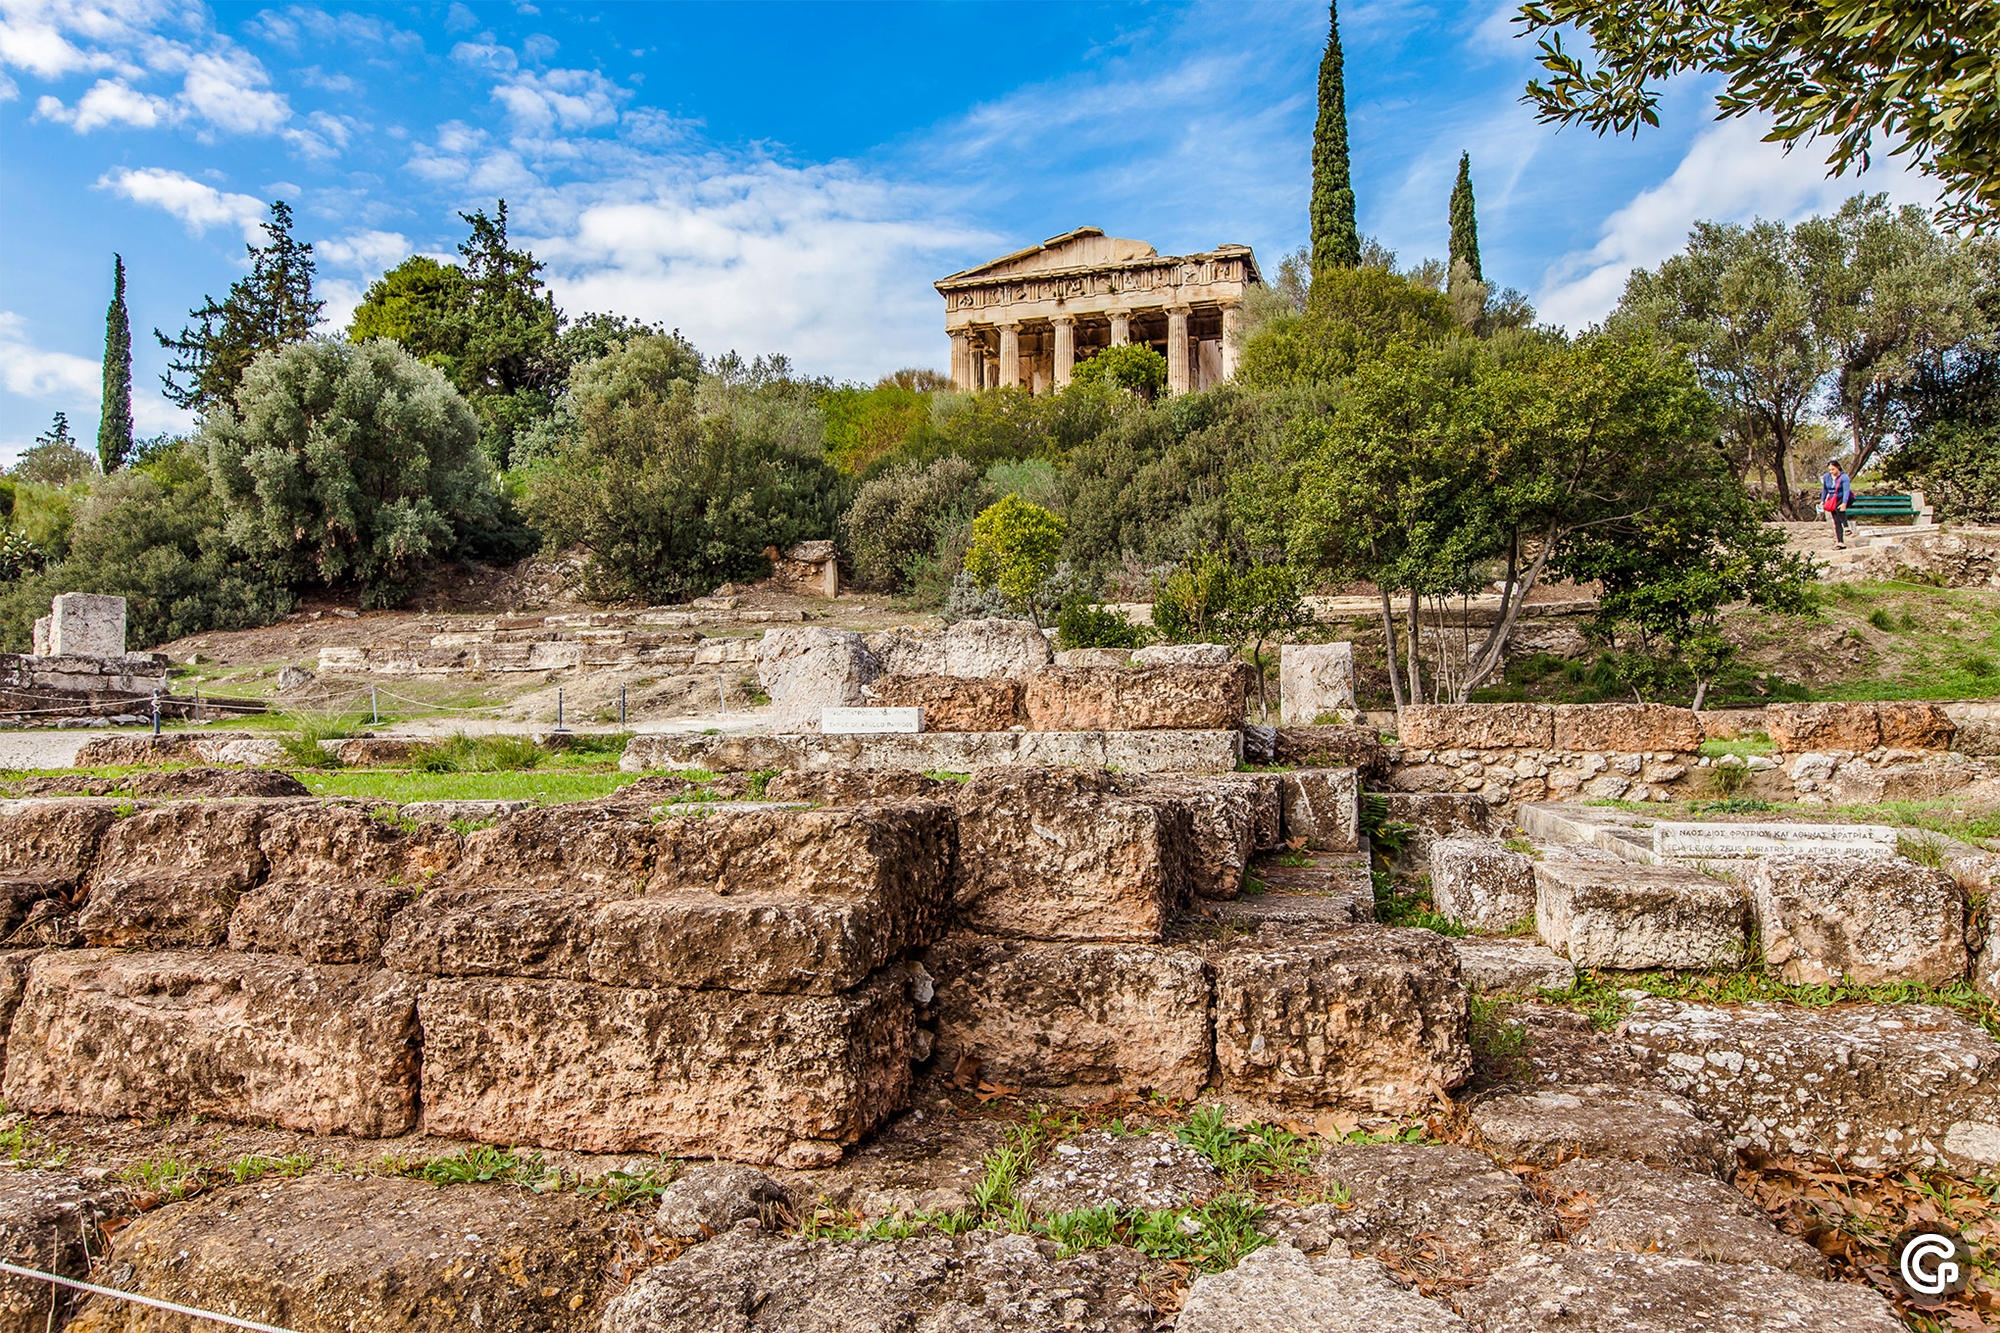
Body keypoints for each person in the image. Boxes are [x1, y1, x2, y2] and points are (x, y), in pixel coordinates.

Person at [1820, 458, 1853, 548]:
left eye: (1833, 469)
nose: (1831, 471)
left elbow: (1846, 491)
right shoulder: (1827, 477)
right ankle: (1840, 542)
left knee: (1838, 508)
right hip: (1833, 499)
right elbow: (1825, 489)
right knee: (1836, 520)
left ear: (1838, 467)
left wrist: (1844, 503)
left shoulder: (1844, 477)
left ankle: (1846, 527)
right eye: (1830, 470)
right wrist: (1823, 500)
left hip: (1844, 498)